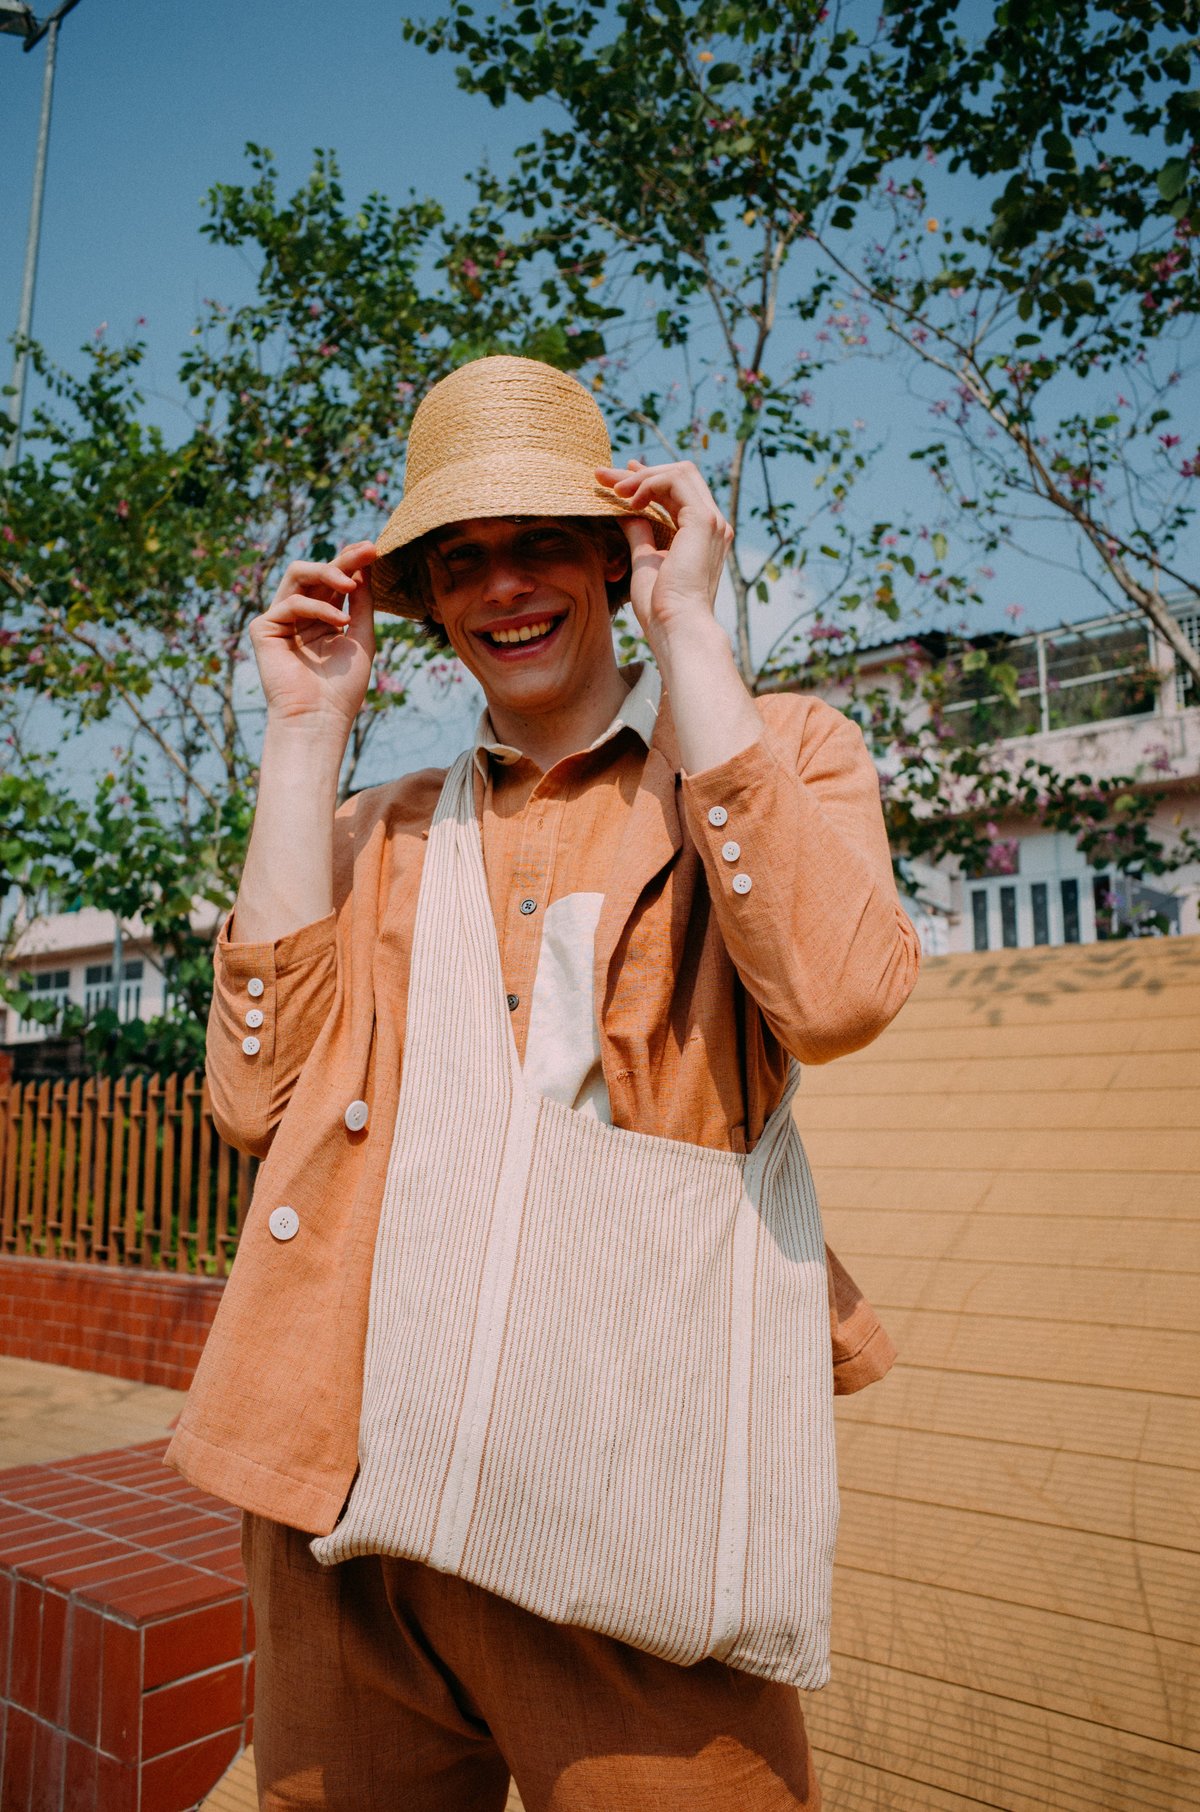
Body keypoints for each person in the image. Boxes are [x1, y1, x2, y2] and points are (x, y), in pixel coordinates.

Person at [167, 355, 920, 1811]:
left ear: (613, 556)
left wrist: (688, 625)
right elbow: (257, 1105)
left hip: (634, 1479)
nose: (500, 587)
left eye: (537, 546)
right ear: (429, 603)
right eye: (461, 561)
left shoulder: (780, 758)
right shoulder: (374, 831)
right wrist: (304, 734)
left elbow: (835, 997)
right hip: (351, 1508)